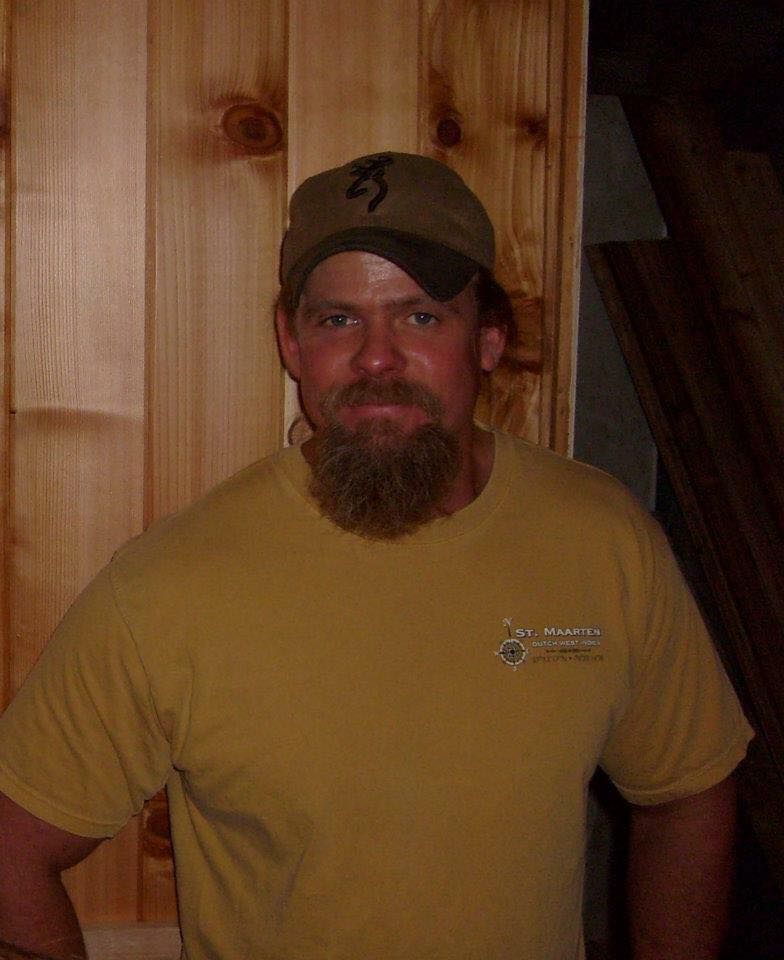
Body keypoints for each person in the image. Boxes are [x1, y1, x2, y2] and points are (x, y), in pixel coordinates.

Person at [0, 151, 752, 960]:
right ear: (291, 344)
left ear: (491, 338)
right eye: (338, 319)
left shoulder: (604, 539)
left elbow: (688, 792)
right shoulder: (169, 584)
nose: (377, 358)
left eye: (422, 316)